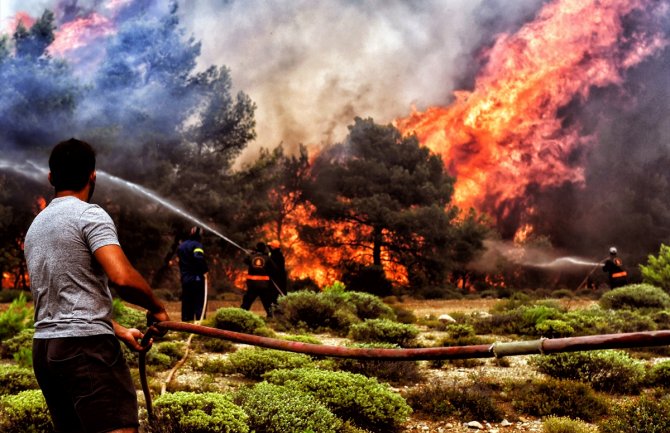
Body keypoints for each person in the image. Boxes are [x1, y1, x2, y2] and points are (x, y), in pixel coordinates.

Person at [24, 138, 170, 433]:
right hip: (86, 349)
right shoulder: (89, 215)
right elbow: (122, 278)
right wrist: (157, 309)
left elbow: (65, 298)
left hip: (46, 351)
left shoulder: (36, 227)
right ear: (93, 175)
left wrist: (118, 330)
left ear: (51, 177)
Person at [177, 226, 209, 321]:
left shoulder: (181, 246)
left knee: (187, 303)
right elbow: (198, 258)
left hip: (185, 279)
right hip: (196, 279)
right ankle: (200, 327)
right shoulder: (197, 245)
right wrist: (205, 270)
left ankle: (186, 325)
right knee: (199, 303)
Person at [240, 241, 276, 317]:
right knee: (267, 302)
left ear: (256, 248)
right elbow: (274, 269)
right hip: (264, 285)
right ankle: (270, 316)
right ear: (264, 249)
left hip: (252, 285)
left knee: (247, 302)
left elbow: (245, 261)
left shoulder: (251, 257)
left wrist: (249, 254)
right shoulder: (267, 258)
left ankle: (241, 315)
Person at [268, 240, 287, 305]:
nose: (269, 247)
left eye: (270, 246)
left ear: (273, 247)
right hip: (279, 277)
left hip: (277, 278)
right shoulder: (276, 254)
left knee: (277, 293)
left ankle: (279, 307)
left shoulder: (275, 255)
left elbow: (273, 267)